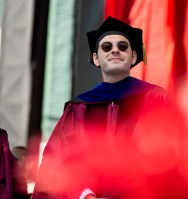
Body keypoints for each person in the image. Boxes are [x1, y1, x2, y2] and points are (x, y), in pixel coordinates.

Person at [32, 16, 167, 199]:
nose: (115, 51)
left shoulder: (154, 99)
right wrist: (85, 194)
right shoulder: (79, 108)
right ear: (96, 58)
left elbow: (167, 156)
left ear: (134, 56)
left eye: (122, 46)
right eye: (106, 47)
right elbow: (58, 163)